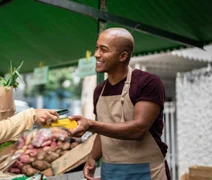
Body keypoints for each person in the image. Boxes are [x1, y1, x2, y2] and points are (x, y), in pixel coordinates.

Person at [69, 28, 170, 180]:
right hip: (111, 171)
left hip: (147, 171)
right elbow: (103, 131)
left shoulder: (147, 82)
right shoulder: (99, 90)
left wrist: (91, 125)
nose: (96, 54)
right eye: (97, 48)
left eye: (104, 50)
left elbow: (138, 129)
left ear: (123, 56)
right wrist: (93, 158)